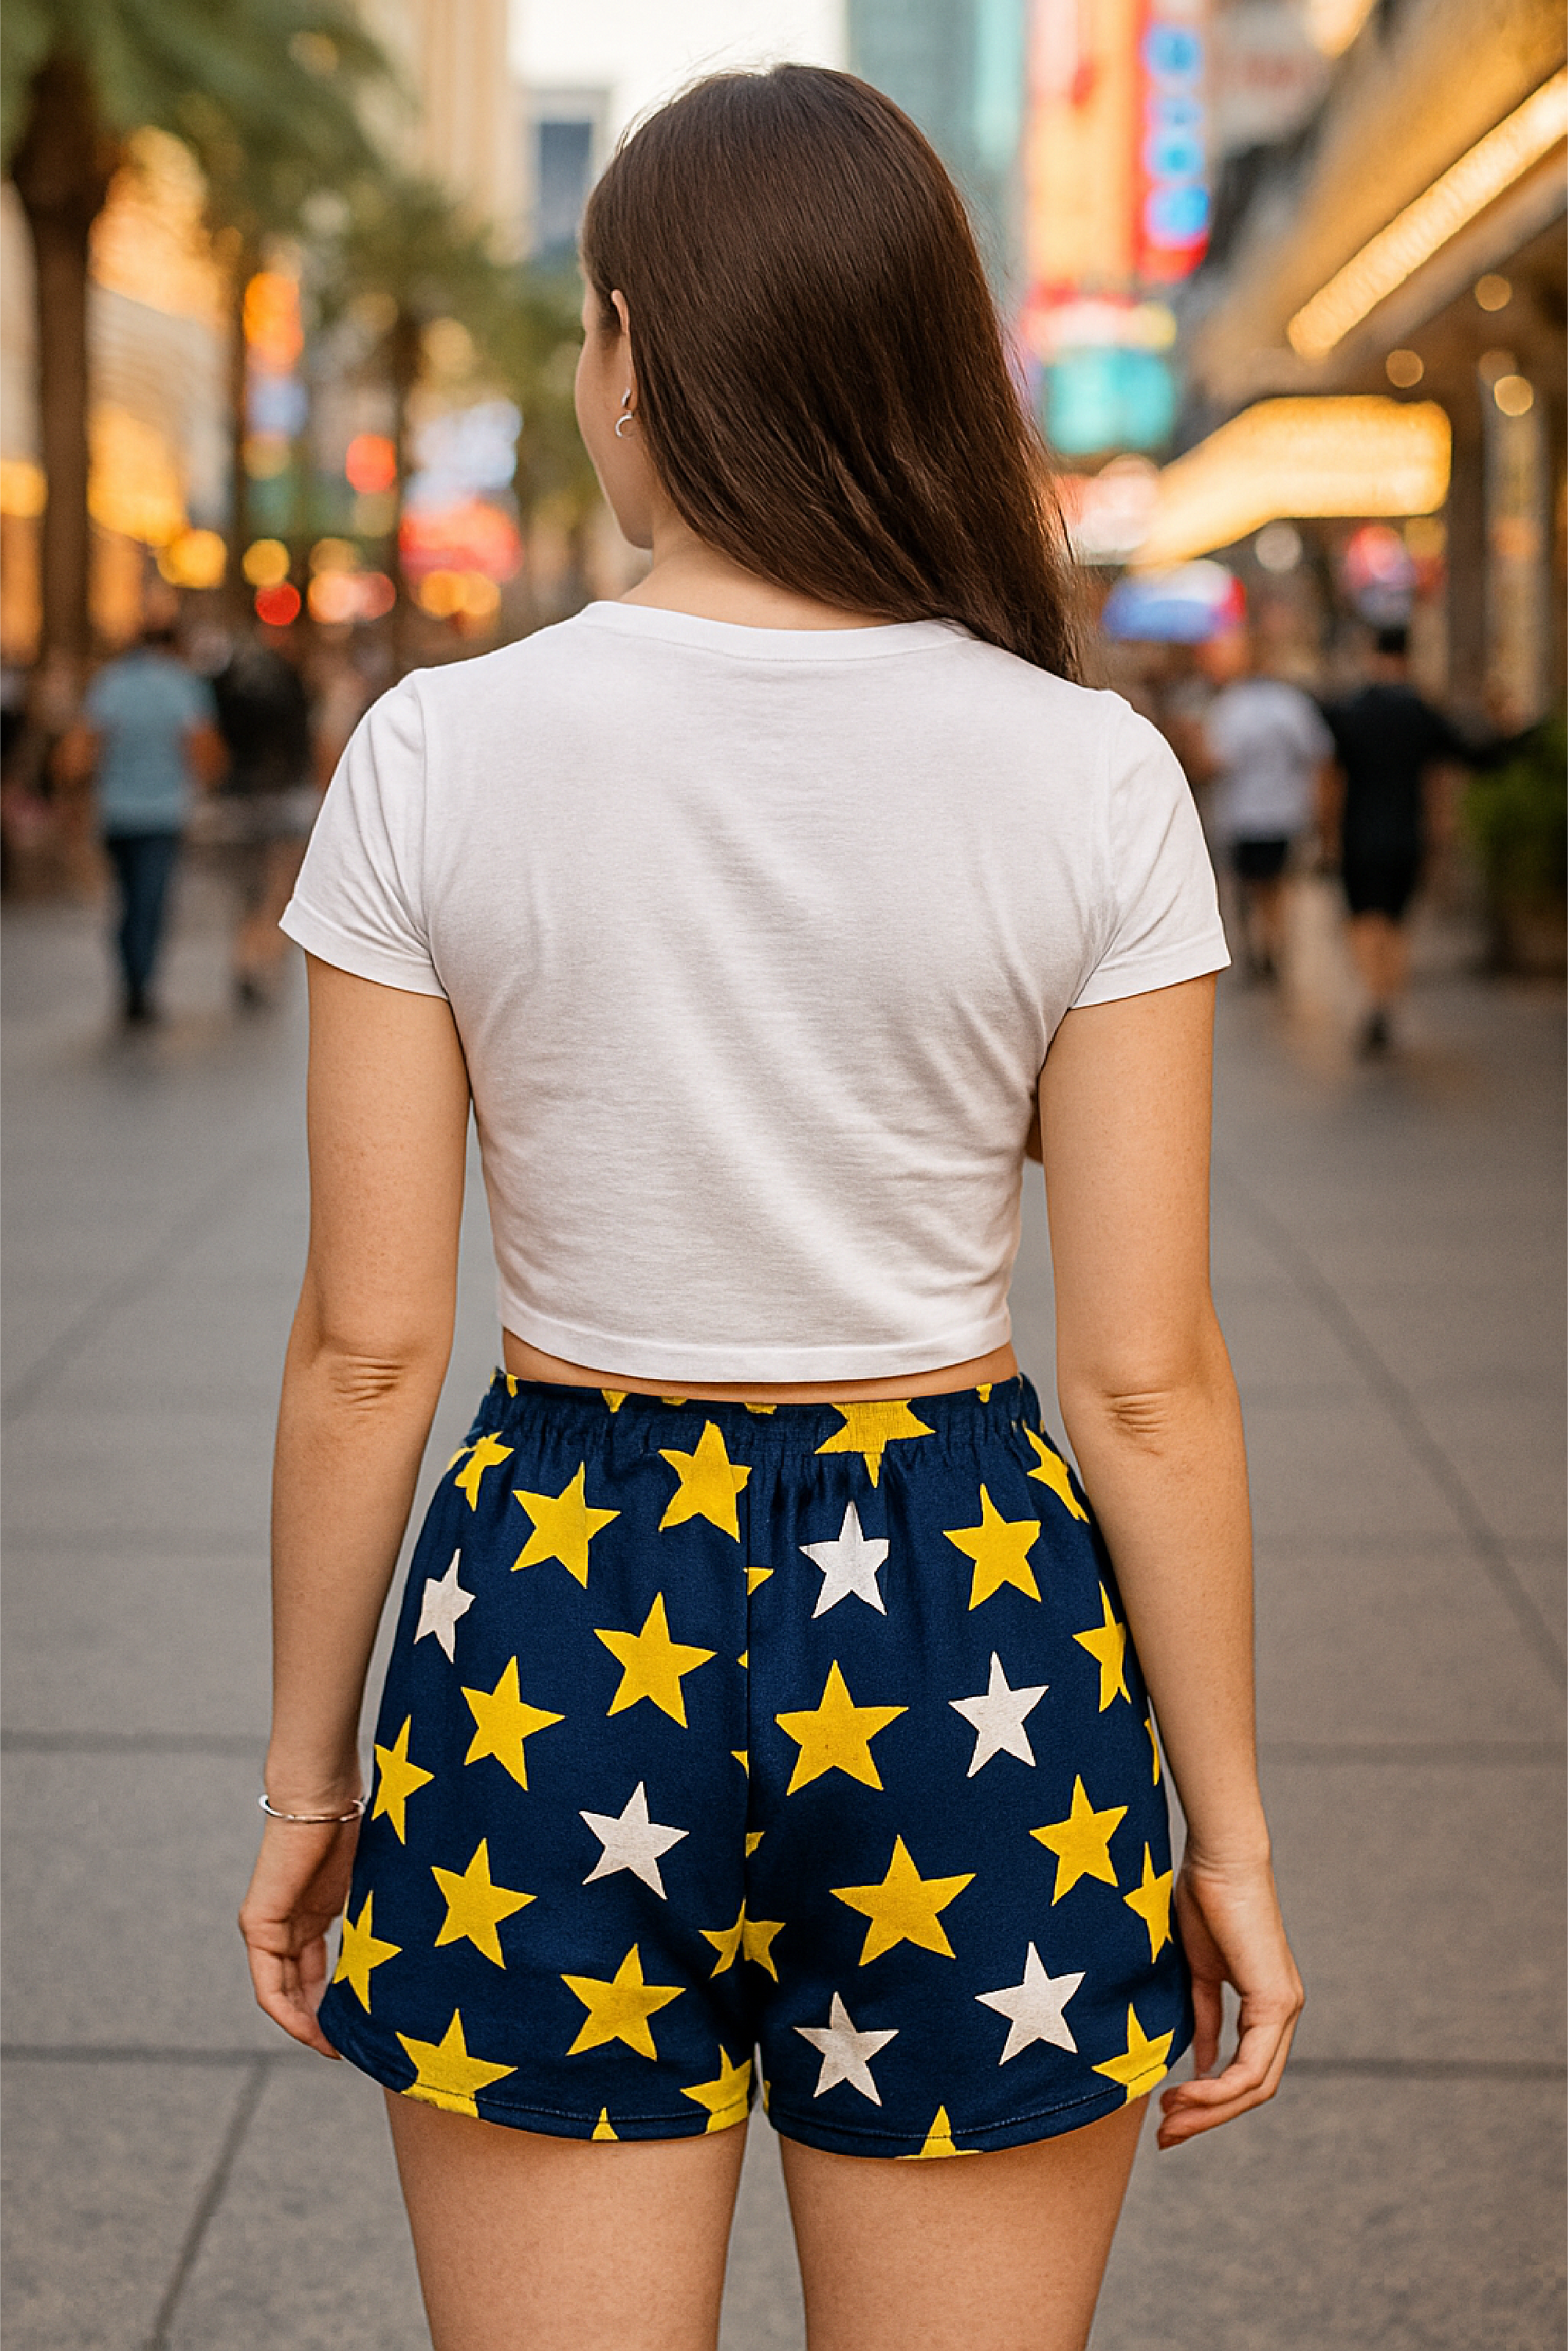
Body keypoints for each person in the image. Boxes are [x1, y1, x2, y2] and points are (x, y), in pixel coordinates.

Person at [240, 68, 1301, 2351]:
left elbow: (367, 1352)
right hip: (969, 1619)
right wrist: (1225, 1834)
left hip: (552, 1602)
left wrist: (309, 1774)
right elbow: (1142, 1374)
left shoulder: (437, 754)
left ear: (625, 351)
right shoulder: (1087, 772)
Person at [1322, 623, 1487, 1056]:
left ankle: (1373, 996)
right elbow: (1454, 767)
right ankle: (1386, 1001)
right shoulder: (1422, 712)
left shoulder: (1350, 711)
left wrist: (1326, 835)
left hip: (1358, 832)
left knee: (1363, 919)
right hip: (1406, 832)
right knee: (1396, 921)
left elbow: (1331, 779)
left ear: (1372, 654)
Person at [61, 615, 223, 1025]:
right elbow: (204, 751)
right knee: (151, 900)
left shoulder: (111, 683)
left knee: (128, 896)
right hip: (163, 813)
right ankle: (140, 981)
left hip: (116, 812)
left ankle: (132, 973)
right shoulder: (183, 685)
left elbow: (79, 751)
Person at [1198, 627, 1335, 984]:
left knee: (1251, 886)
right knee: (1276, 885)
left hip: (1243, 815)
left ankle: (1262, 945)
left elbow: (1214, 761)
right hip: (1284, 813)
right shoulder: (1292, 704)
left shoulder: (1231, 707)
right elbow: (1319, 755)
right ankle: (1272, 942)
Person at [211, 626, 318, 1007]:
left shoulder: (227, 687)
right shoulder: (293, 684)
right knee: (277, 891)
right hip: (284, 798)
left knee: (246, 891)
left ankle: (246, 955)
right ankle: (262, 958)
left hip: (239, 799)